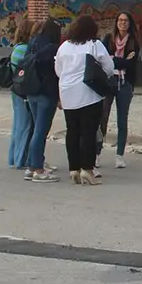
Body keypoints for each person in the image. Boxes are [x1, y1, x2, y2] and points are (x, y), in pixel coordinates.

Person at [54, 14, 114, 185]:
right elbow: (109, 67)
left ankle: (74, 168)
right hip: (89, 94)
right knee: (88, 132)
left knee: (72, 131)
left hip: (67, 93)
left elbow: (58, 70)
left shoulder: (64, 46)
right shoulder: (94, 45)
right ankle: (87, 169)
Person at [99, 11, 140, 171]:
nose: (122, 23)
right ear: (116, 23)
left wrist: (114, 60)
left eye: (126, 20)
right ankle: (97, 153)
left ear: (130, 24)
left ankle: (120, 155)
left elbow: (131, 64)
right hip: (108, 83)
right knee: (102, 118)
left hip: (125, 84)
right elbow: (103, 60)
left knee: (122, 120)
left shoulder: (134, 41)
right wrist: (120, 60)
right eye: (120, 20)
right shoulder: (108, 39)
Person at [23, 18, 63, 182]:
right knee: (41, 131)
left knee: (35, 129)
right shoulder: (53, 48)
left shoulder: (33, 42)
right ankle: (38, 170)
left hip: (31, 90)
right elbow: (57, 72)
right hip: (47, 93)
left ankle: (32, 166)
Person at [6, 18, 34, 171]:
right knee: (25, 125)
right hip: (23, 91)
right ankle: (21, 159)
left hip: (15, 90)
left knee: (17, 125)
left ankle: (13, 157)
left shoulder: (17, 47)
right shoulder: (26, 49)